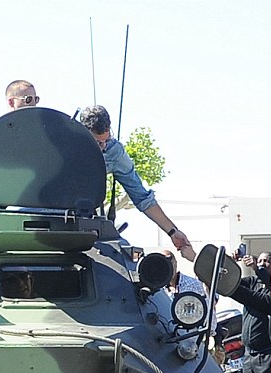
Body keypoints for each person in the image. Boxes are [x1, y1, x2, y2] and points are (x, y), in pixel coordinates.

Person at [79, 105, 195, 262]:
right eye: (97, 143)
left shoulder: (114, 152)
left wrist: (173, 232)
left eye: (106, 140)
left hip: (87, 223)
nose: (103, 147)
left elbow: (141, 197)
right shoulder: (62, 145)